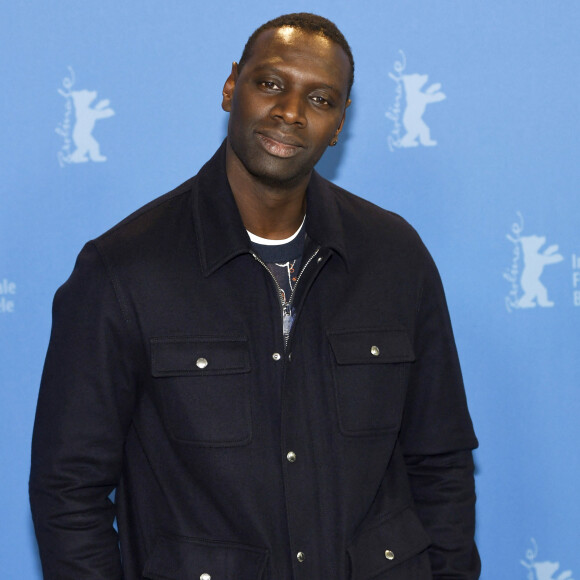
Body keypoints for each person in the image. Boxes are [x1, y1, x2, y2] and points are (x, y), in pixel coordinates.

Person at [30, 12, 480, 580]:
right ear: (230, 88)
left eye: (320, 99)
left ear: (340, 124)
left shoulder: (395, 258)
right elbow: (69, 491)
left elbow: (440, 463)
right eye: (270, 84)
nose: (290, 112)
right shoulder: (123, 270)